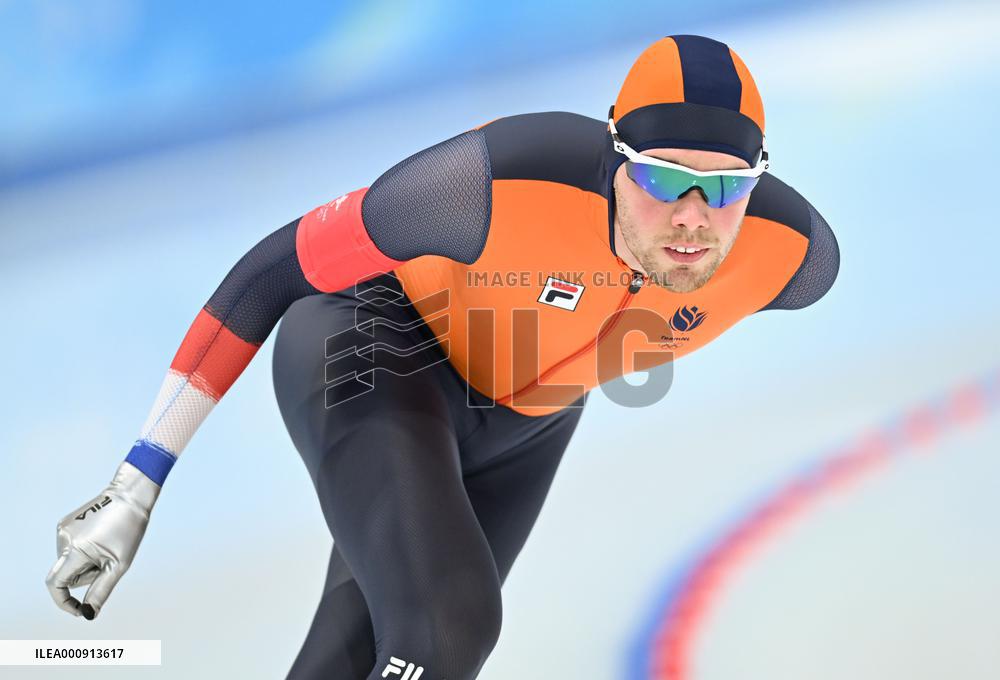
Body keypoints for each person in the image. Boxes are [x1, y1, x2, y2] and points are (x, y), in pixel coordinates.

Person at [46, 34, 839, 680]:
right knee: (445, 629)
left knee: (362, 655)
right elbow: (272, 269)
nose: (693, 221)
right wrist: (139, 479)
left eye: (726, 187)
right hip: (378, 345)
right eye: (664, 179)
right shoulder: (492, 184)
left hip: (529, 426)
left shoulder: (792, 259)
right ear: (614, 158)